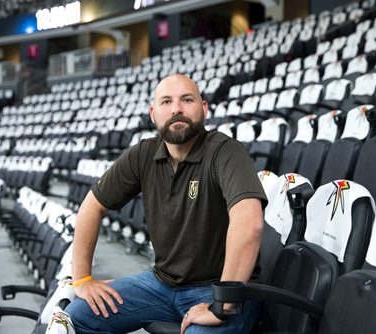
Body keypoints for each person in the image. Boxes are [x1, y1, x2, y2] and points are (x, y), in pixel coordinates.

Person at [66, 74, 267, 334]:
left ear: (204, 108)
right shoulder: (142, 154)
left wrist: (222, 306)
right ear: (153, 113)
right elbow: (91, 206)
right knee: (76, 317)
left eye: (187, 100)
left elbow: (249, 223)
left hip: (219, 288)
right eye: (166, 102)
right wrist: (82, 279)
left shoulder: (226, 151)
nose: (177, 109)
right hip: (160, 284)